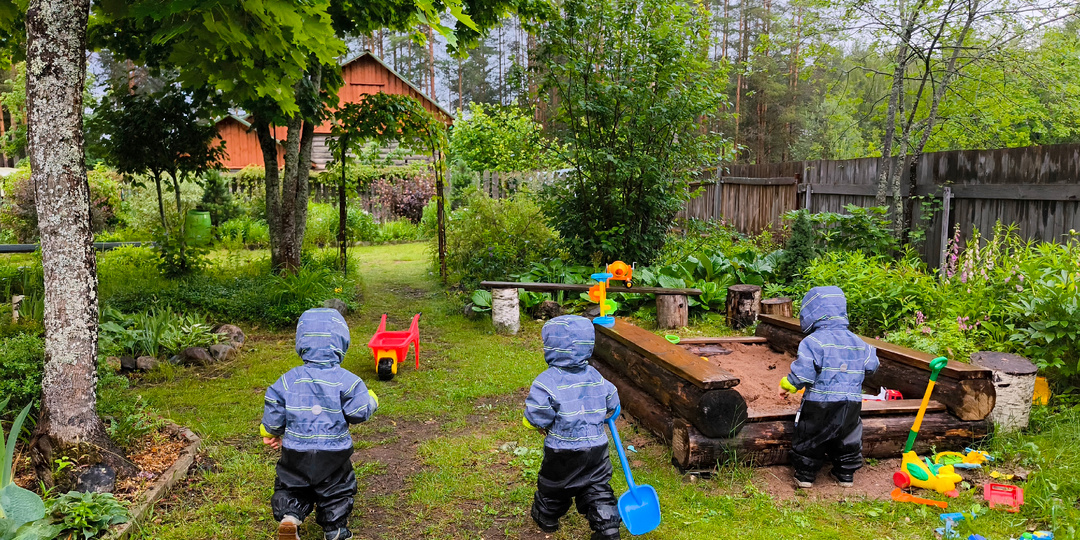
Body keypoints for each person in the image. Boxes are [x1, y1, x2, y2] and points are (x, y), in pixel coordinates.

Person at [261, 308, 379, 540]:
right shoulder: (348, 380)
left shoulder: (288, 379)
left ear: (302, 342)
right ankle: (335, 530)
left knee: (292, 484)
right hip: (333, 451)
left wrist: (271, 431)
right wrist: (372, 399)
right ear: (341, 343)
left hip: (296, 449)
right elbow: (358, 411)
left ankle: (289, 517)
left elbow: (273, 403)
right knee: (337, 488)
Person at [524, 315, 622, 540]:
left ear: (551, 346)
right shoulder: (595, 376)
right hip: (597, 446)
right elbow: (613, 399)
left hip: (563, 449)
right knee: (597, 486)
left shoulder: (546, 381)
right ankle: (607, 526)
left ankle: (546, 516)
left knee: (555, 485)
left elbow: (537, 411)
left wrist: (540, 424)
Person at [778, 286, 878, 488]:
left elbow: (804, 371)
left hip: (820, 402)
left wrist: (788, 384)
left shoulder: (812, 342)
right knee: (848, 436)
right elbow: (871, 365)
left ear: (811, 314)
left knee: (811, 435)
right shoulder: (859, 342)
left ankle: (805, 474)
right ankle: (845, 474)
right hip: (851, 401)